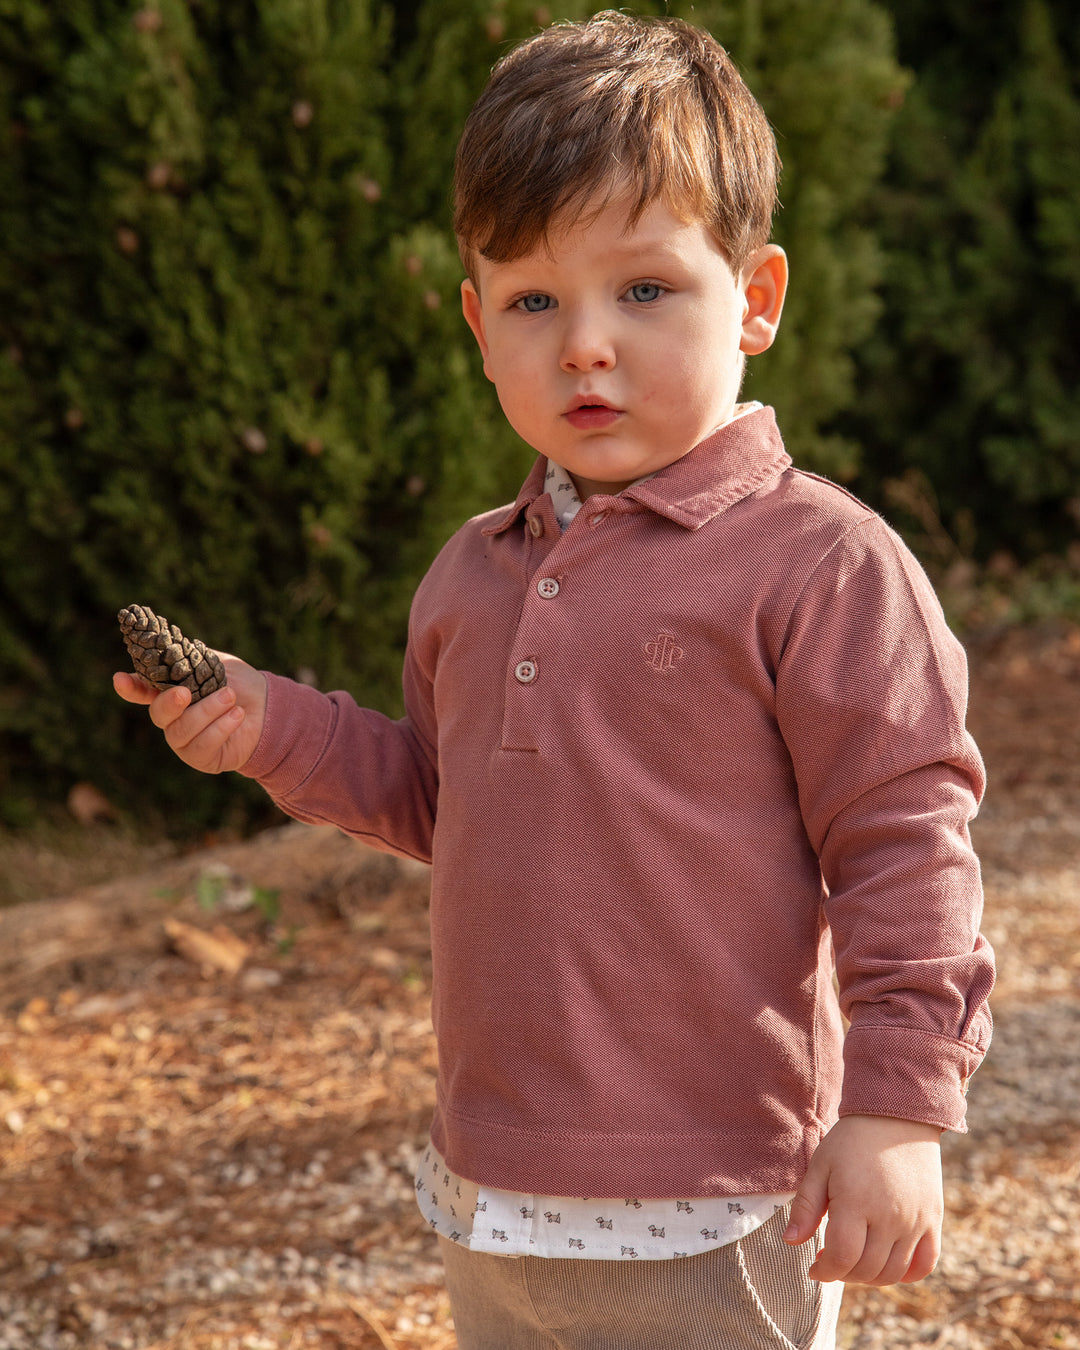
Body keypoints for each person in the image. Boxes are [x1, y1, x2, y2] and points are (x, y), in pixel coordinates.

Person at [115, 12, 994, 1349]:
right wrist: (267, 722)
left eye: (642, 288)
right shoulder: (474, 574)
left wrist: (896, 1104)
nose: (585, 341)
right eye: (534, 299)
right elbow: (434, 792)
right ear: (478, 326)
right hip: (501, 1180)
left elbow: (904, 842)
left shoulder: (822, 566)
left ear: (754, 299)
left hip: (721, 1191)